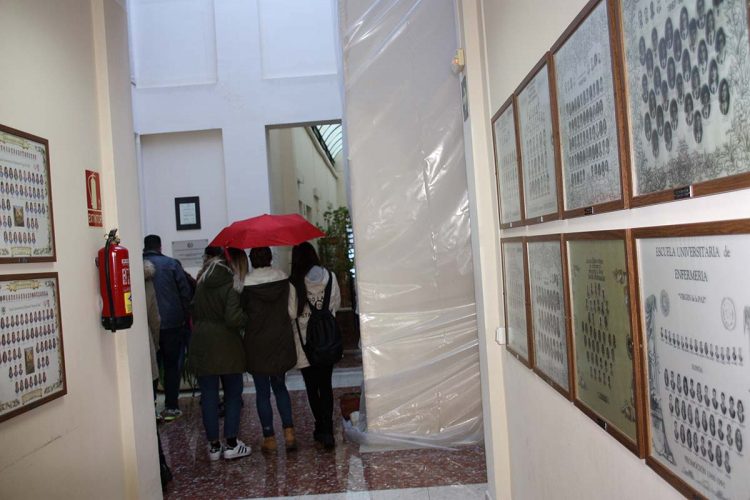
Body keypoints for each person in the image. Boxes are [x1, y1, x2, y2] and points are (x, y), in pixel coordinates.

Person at [189, 248, 251, 461]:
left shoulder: (202, 282)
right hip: (227, 345)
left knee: (209, 396)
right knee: (233, 393)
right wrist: (247, 317)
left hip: (201, 342)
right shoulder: (230, 284)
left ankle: (214, 447)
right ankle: (232, 444)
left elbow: (194, 311)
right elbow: (233, 318)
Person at [242, 247, 298, 452]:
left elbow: (242, 316)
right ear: (270, 259)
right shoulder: (285, 282)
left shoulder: (244, 285)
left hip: (256, 344)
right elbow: (292, 313)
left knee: (262, 393)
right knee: (280, 387)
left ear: (252, 260)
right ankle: (289, 434)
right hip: (280, 341)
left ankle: (269, 438)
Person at [290, 242, 341, 450]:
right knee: (326, 385)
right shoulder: (331, 277)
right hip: (327, 341)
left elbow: (292, 312)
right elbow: (335, 304)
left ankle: (320, 427)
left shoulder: (294, 282)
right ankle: (328, 430)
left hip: (304, 344)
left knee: (312, 387)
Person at [143, 235, 194, 421]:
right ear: (160, 246)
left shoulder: (138, 265)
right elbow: (185, 293)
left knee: (152, 367)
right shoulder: (172, 264)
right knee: (172, 365)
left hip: (148, 327)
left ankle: (152, 405)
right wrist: (185, 316)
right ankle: (172, 406)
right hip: (173, 324)